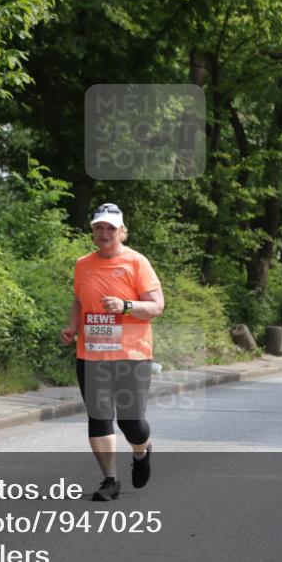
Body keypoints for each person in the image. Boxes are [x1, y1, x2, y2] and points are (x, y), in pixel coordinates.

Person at [60, 203, 164, 501]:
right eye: (99, 227)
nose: (104, 233)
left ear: (122, 231)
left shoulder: (136, 263)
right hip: (91, 354)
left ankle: (141, 451)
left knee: (131, 422)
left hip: (131, 355)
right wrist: (72, 326)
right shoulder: (83, 263)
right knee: (99, 416)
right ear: (93, 231)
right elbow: (79, 300)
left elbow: (157, 306)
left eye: (110, 228)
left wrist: (125, 306)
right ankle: (110, 480)